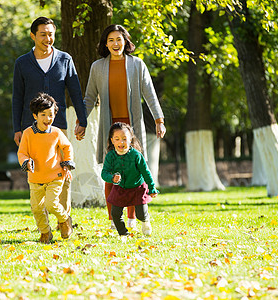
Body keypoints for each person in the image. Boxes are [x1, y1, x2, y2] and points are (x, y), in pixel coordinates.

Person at [84, 24, 166, 230]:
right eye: (110, 40)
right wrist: (81, 122)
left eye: (119, 39)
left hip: (132, 126)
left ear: (126, 41)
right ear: (105, 43)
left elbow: (150, 93)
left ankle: (132, 219)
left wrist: (159, 119)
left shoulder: (137, 65)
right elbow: (89, 98)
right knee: (110, 172)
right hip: (109, 127)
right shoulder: (98, 67)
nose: (115, 44)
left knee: (135, 172)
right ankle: (113, 220)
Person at [12, 16, 87, 224]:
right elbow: (17, 97)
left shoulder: (65, 59)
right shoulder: (22, 63)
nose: (48, 38)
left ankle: (64, 219)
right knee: (37, 175)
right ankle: (43, 220)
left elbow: (75, 91)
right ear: (33, 35)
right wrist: (16, 128)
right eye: (43, 34)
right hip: (32, 129)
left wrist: (83, 119)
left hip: (59, 126)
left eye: (51, 34)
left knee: (63, 170)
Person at [18, 93, 75, 243]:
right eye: (43, 115)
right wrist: (26, 162)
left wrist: (67, 164)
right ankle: (45, 233)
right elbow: (22, 152)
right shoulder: (27, 134)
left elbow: (67, 147)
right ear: (35, 116)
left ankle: (64, 220)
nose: (47, 119)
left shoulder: (56, 132)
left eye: (51, 115)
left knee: (51, 203)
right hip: (35, 178)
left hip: (55, 176)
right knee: (36, 208)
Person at [101, 122, 158, 236]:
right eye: (117, 139)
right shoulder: (110, 156)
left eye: (124, 138)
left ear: (130, 139)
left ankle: (145, 221)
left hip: (137, 188)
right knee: (115, 213)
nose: (121, 142)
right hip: (120, 188)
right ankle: (123, 233)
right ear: (112, 140)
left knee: (140, 213)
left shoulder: (136, 155)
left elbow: (146, 172)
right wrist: (112, 178)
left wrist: (152, 188)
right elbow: (104, 173)